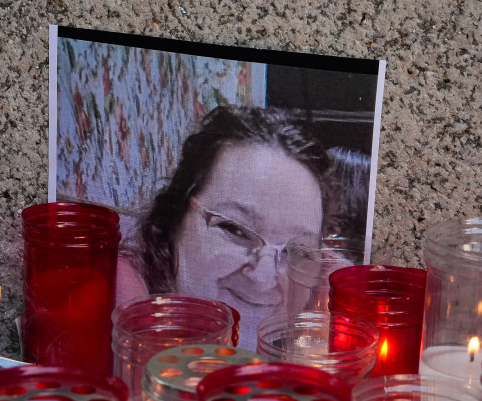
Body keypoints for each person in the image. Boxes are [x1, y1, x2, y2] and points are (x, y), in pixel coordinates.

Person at [118, 105, 337, 348]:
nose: (262, 278)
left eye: (294, 252)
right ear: (175, 219)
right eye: (235, 229)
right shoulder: (114, 315)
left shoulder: (325, 332)